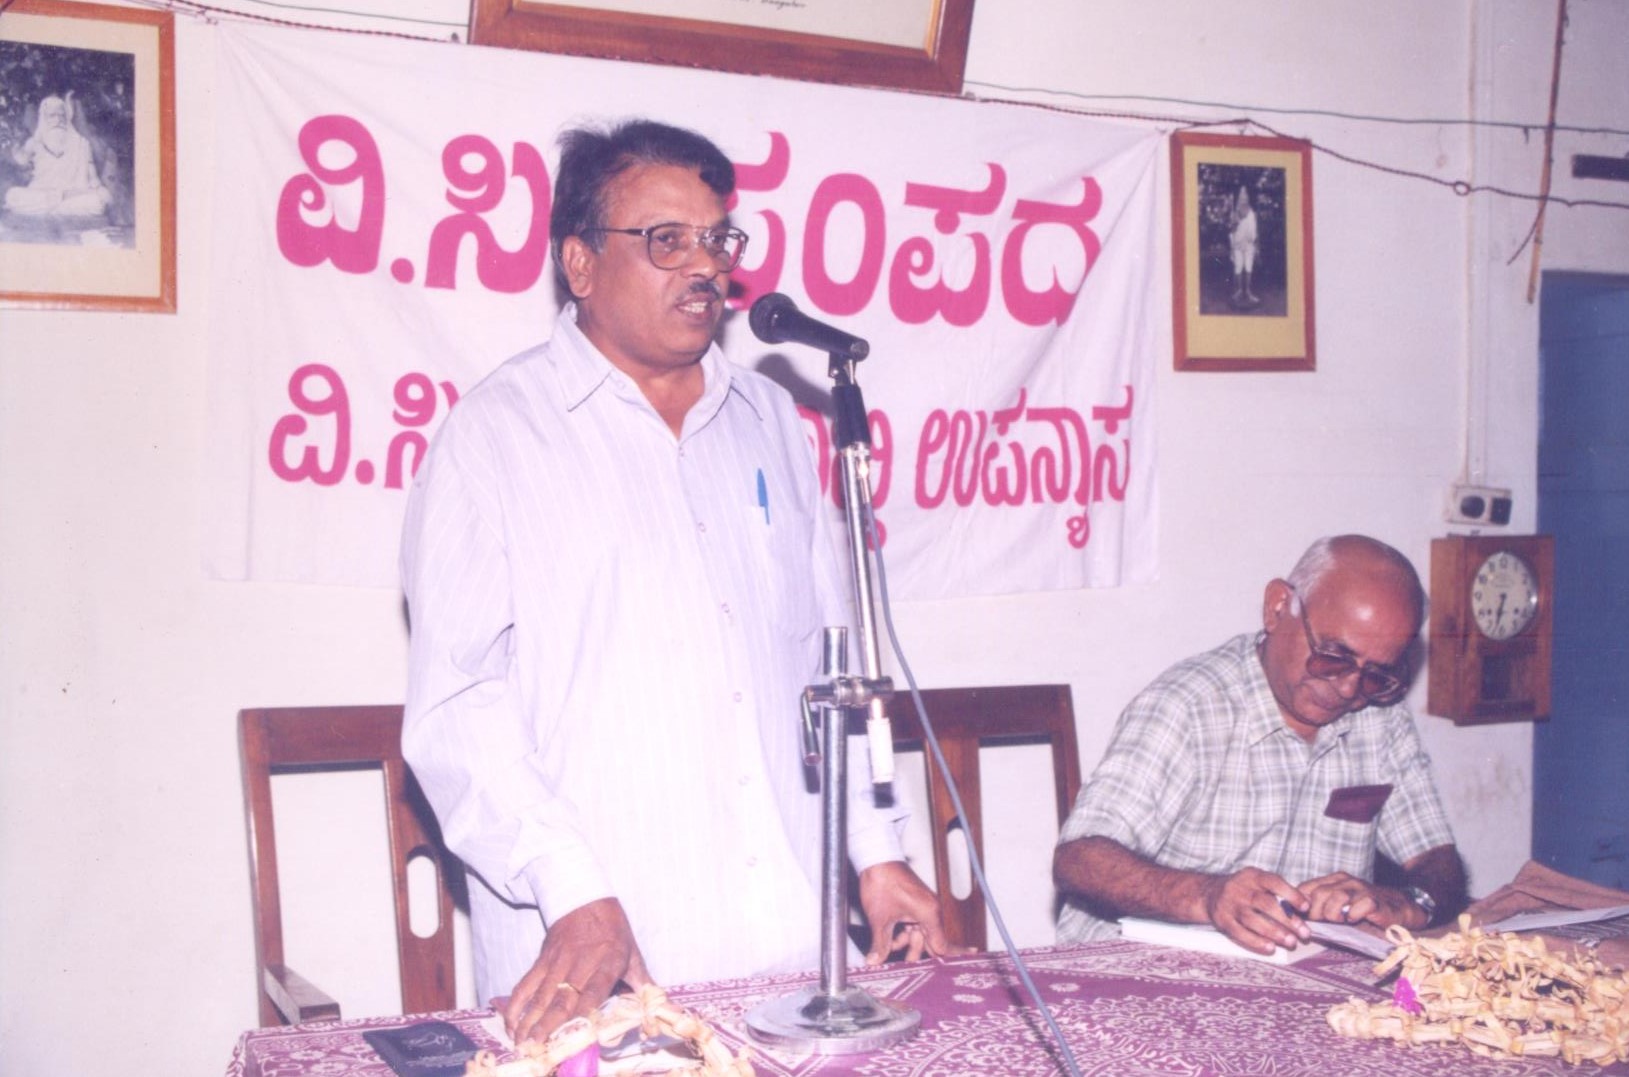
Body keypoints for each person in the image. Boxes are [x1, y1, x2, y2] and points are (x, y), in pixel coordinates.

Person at [400, 118, 952, 1047]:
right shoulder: (494, 436)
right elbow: (457, 705)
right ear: (579, 263)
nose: (705, 266)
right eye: (667, 240)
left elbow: (827, 658)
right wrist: (571, 886)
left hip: (792, 964)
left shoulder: (771, 418)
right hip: (597, 968)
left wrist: (876, 853)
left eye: (717, 239)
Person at [1053, 534, 1467, 956]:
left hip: (1298, 974)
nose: (1347, 688)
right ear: (1277, 607)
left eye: (1376, 675)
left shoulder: (1380, 716)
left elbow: (1440, 863)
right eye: (1332, 657)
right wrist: (1207, 897)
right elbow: (1078, 860)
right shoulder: (1187, 707)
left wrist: (1408, 902)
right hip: (1142, 967)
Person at [4, 93, 111, 218]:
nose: (58, 120)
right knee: (12, 196)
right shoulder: (34, 142)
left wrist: (100, 190)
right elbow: (22, 160)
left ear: (67, 118)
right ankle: (57, 207)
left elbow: (94, 181)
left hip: (71, 196)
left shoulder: (81, 144)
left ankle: (48, 208)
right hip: (41, 193)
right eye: (52, 115)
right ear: (44, 118)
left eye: (61, 115)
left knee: (96, 203)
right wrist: (15, 149)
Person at [1228, 184, 1259, 308]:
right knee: (1238, 267)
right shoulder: (1234, 212)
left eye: (1245, 193)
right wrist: (1235, 222)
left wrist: (1256, 245)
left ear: (1248, 196)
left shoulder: (1252, 213)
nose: (1243, 196)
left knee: (1248, 267)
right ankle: (1239, 291)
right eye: (1241, 193)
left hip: (1249, 245)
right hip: (1238, 245)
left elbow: (1255, 231)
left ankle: (1248, 292)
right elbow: (1231, 230)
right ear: (1238, 196)